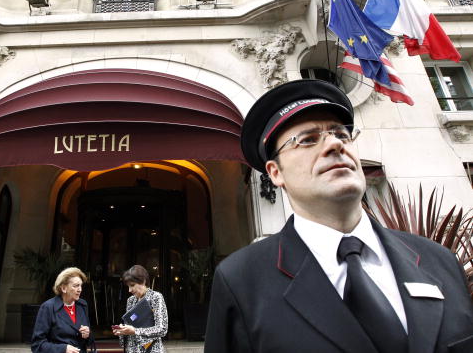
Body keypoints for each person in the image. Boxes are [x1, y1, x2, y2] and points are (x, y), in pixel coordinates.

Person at [204, 79, 473, 353]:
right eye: (308, 140)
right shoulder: (241, 280)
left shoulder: (440, 262)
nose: (334, 145)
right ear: (275, 173)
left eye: (341, 135)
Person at [32, 267, 94, 353]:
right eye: (76, 286)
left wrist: (88, 334)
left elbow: (89, 341)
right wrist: (62, 349)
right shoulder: (48, 307)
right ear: (63, 288)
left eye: (81, 285)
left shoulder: (82, 305)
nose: (80, 289)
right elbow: (37, 345)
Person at [112, 265, 168, 353]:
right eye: (128, 286)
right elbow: (130, 325)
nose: (129, 290)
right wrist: (122, 331)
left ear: (143, 281)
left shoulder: (156, 297)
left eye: (132, 285)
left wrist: (135, 331)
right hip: (132, 349)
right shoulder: (130, 300)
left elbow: (162, 329)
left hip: (151, 349)